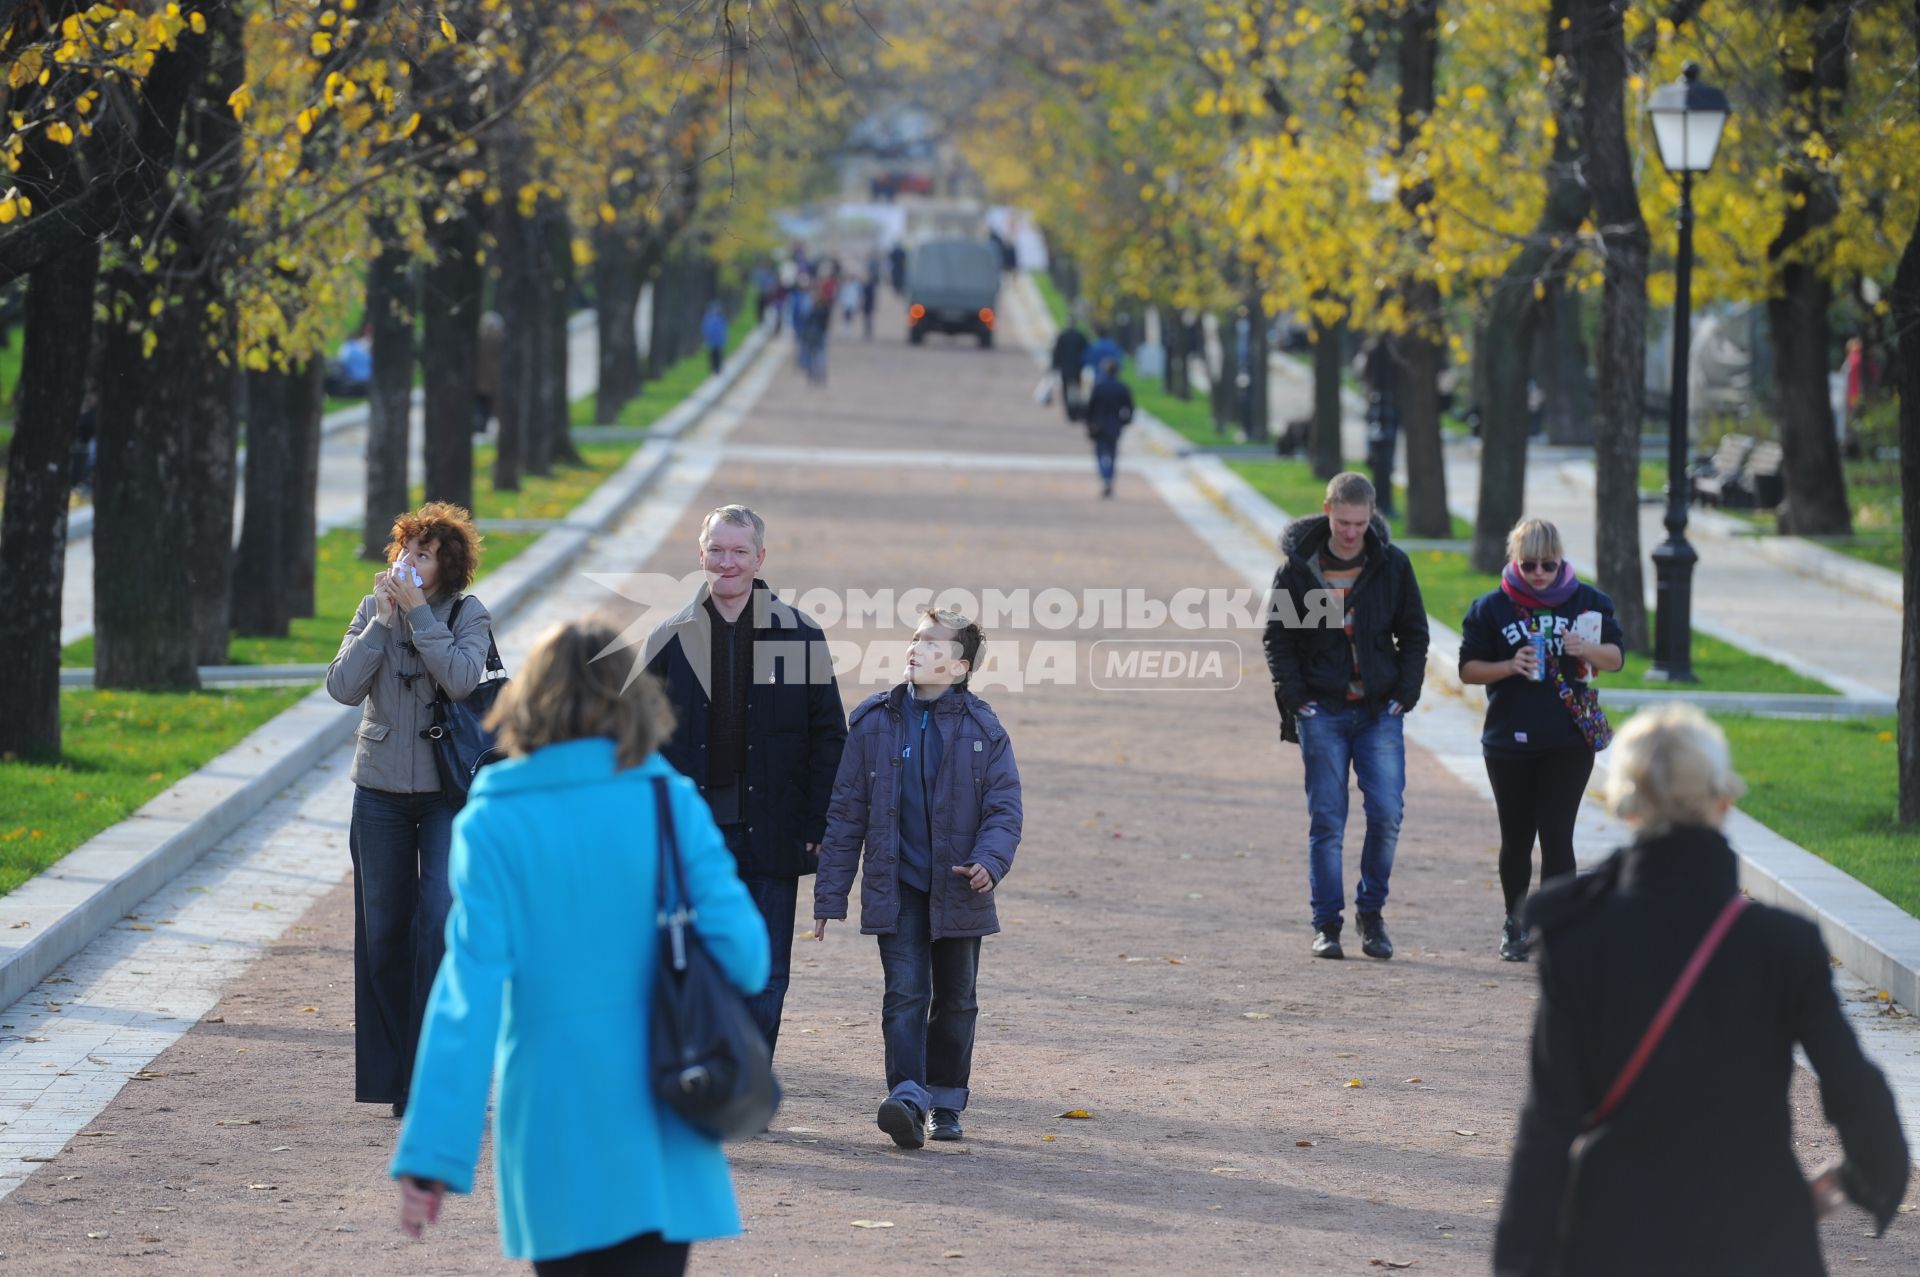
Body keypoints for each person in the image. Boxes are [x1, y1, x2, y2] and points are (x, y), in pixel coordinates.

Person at [390, 618, 770, 1276]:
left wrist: (432, 1155)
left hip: (552, 1109)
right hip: (660, 1096)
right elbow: (746, 955)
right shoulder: (668, 801)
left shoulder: (492, 821)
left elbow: (468, 993)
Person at [1493, 705, 1909, 1276]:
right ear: (1723, 800)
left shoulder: (1578, 935)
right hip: (1759, 1228)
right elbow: (1854, 1084)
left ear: (1627, 807)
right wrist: (1853, 1183)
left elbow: (1549, 1120)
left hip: (1615, 1231)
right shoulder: (1782, 943)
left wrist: (1519, 1260)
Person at [642, 505, 847, 1057]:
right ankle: (699, 1072)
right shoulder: (667, 638)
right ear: (700, 554)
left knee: (764, 965)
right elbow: (635, 742)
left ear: (760, 558)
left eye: (738, 552)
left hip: (774, 829)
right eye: (716, 550)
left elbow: (830, 736)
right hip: (690, 833)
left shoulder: (801, 636)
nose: (726, 562)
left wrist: (818, 824)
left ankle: (746, 1080)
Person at [814, 608, 1023, 1149]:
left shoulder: (984, 729)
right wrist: (830, 893)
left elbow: (1005, 810)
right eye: (914, 639)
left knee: (957, 999)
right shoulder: (872, 722)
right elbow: (846, 812)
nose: (916, 649)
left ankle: (946, 1101)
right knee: (904, 993)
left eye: (933, 644)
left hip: (960, 885)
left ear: (959, 666)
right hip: (898, 884)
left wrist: (989, 862)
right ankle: (907, 1097)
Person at [325, 502, 494, 1117]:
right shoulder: (374, 610)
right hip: (379, 794)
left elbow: (461, 680)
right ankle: (393, 1077)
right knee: (383, 933)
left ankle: (438, 1073)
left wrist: (421, 616)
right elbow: (342, 687)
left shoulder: (469, 613)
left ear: (447, 565)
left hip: (447, 794)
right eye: (405, 551)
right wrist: (382, 622)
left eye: (424, 554)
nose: (410, 562)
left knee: (440, 923)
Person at [1263, 472, 1429, 961]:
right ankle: (1327, 924)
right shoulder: (1298, 570)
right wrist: (1297, 700)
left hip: (1380, 710)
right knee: (1328, 820)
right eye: (1343, 522)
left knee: (1386, 814)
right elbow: (1278, 638)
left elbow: (1414, 634)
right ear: (1327, 510)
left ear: (1371, 516)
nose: (1351, 533)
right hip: (1323, 711)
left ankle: (1371, 913)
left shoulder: (1392, 566)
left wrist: (1406, 692)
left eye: (1359, 523)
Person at [1458, 518, 1625, 960]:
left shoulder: (1589, 603)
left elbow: (1616, 657)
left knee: (1557, 835)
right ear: (1514, 560)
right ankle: (1515, 922)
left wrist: (1582, 649)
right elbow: (1468, 669)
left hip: (1568, 741)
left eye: (1546, 565)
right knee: (1516, 837)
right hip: (1508, 742)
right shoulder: (1490, 608)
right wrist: (1509, 665)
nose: (1537, 574)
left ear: (1560, 561)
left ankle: (1556, 928)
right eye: (1528, 564)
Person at [1084, 357, 1134, 498]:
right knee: (1112, 454)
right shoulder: (1121, 387)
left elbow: (1090, 407)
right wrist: (1125, 421)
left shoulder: (1099, 387)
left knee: (1100, 453)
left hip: (1099, 425)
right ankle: (1109, 479)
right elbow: (1130, 407)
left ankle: (1105, 477)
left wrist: (1089, 422)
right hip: (1115, 425)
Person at [1050, 316, 1090, 424]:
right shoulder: (1080, 336)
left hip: (1065, 368)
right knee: (1076, 389)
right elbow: (1086, 351)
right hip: (1077, 368)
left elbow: (1056, 352)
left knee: (1066, 389)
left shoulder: (1063, 336)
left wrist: (1054, 366)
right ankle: (1075, 410)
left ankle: (1070, 411)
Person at [475, 310, 504, 434]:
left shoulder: (480, 339)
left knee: (482, 407)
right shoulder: (498, 342)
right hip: (489, 383)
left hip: (482, 383)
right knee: (485, 407)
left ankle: (480, 428)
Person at [327, 323, 374, 398]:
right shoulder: (364, 347)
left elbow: (342, 361)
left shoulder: (348, 348)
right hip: (367, 379)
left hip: (354, 378)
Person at [700, 300, 729, 377]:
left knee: (718, 355)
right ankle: (714, 369)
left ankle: (718, 369)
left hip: (718, 341)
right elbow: (706, 329)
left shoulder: (720, 319)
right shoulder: (709, 318)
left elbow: (723, 330)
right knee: (713, 355)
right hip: (713, 341)